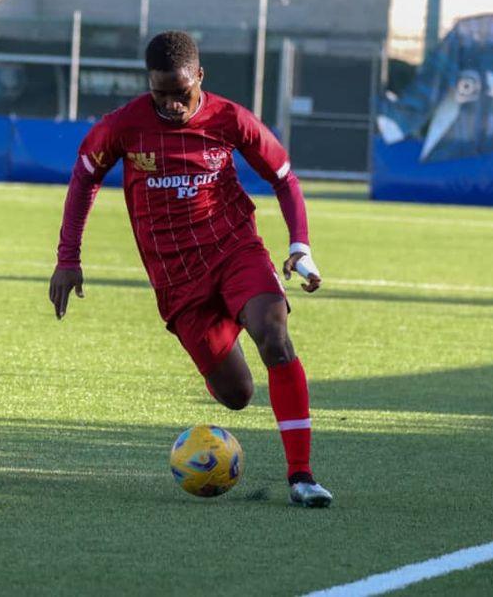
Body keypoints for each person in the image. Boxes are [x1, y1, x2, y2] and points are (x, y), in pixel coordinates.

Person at [49, 30, 333, 507]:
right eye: (160, 93)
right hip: (178, 279)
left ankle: (301, 476)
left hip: (235, 249)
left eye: (181, 94)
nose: (171, 104)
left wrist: (299, 245)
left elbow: (283, 177)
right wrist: (68, 258)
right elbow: (84, 179)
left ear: (199, 77)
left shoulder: (230, 118)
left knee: (275, 338)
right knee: (238, 394)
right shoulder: (124, 126)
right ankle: (224, 337)